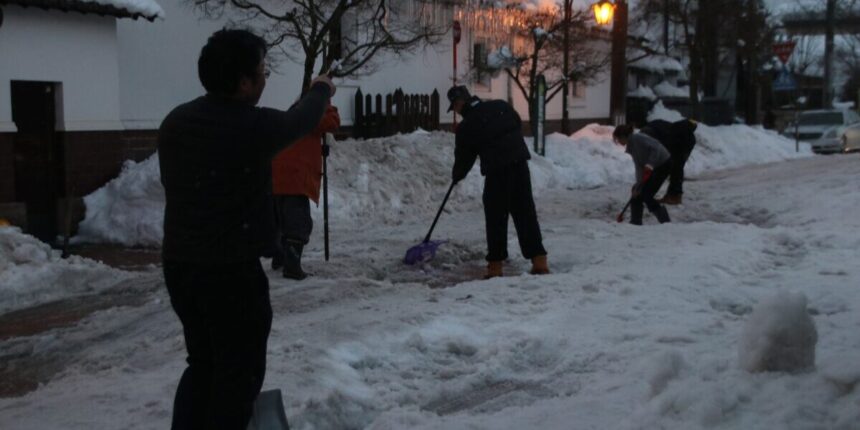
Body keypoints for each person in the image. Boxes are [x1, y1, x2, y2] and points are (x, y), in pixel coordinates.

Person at [157, 29, 334, 430]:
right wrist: (321, 89)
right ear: (243, 83)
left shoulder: (176, 122)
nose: (266, 78)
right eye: (262, 71)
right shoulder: (250, 127)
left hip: (181, 266)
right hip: (230, 272)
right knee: (239, 375)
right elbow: (301, 120)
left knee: (203, 364)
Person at [447, 85, 549, 278]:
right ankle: (539, 261)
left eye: (455, 108)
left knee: (496, 218)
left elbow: (464, 157)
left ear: (460, 103)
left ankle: (495, 267)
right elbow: (516, 124)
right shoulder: (501, 105)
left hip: (497, 171)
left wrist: (457, 175)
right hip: (520, 165)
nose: (457, 112)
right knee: (525, 212)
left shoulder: (467, 126)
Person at [270, 105, 340, 279]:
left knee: (281, 219)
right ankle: (292, 266)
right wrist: (328, 106)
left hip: (276, 173)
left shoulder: (293, 114)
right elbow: (332, 123)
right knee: (297, 222)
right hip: (295, 175)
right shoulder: (312, 113)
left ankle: (280, 258)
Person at [613, 124, 672, 225]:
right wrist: (638, 184)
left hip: (663, 163)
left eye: (618, 139)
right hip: (654, 166)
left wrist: (650, 164)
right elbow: (639, 166)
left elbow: (656, 148)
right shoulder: (631, 146)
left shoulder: (638, 138)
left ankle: (665, 221)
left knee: (647, 194)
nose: (618, 142)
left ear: (623, 136)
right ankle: (635, 222)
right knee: (637, 192)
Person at [639, 118, 697, 205]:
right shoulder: (651, 129)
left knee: (675, 167)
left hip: (684, 142)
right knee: (671, 167)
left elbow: (661, 170)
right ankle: (671, 195)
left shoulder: (662, 138)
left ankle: (675, 196)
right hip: (679, 139)